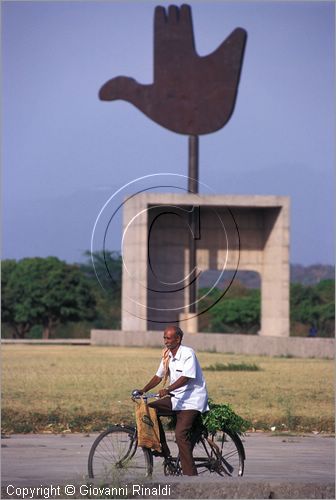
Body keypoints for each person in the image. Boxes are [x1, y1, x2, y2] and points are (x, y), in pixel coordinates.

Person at [135, 325, 209, 476]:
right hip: (176, 398)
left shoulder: (188, 353)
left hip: (192, 400)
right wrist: (144, 390)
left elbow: (186, 377)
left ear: (178, 339)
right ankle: (163, 449)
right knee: (149, 409)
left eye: (169, 338)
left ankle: (191, 477)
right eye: (164, 338)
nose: (166, 341)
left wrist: (168, 389)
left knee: (180, 435)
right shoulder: (167, 355)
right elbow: (158, 376)